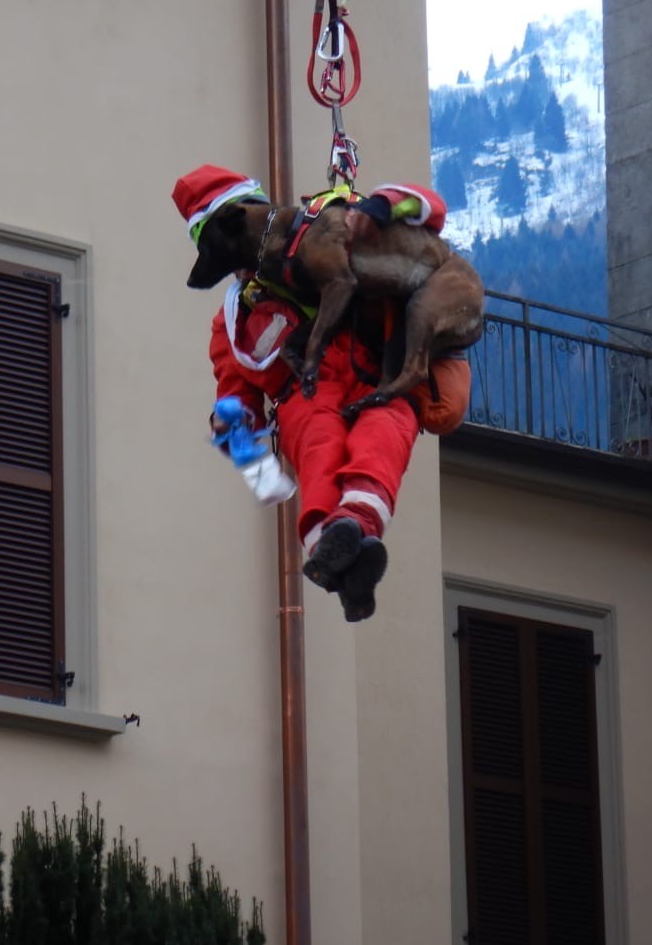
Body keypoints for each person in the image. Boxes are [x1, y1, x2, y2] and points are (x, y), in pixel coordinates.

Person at [174, 165, 472, 623]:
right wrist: (246, 455)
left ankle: (348, 546)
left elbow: (425, 206)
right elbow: (234, 392)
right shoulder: (235, 319)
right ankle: (339, 547)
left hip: (382, 371)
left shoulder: (329, 222)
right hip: (307, 396)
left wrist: (382, 204)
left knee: (383, 438)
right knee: (319, 453)